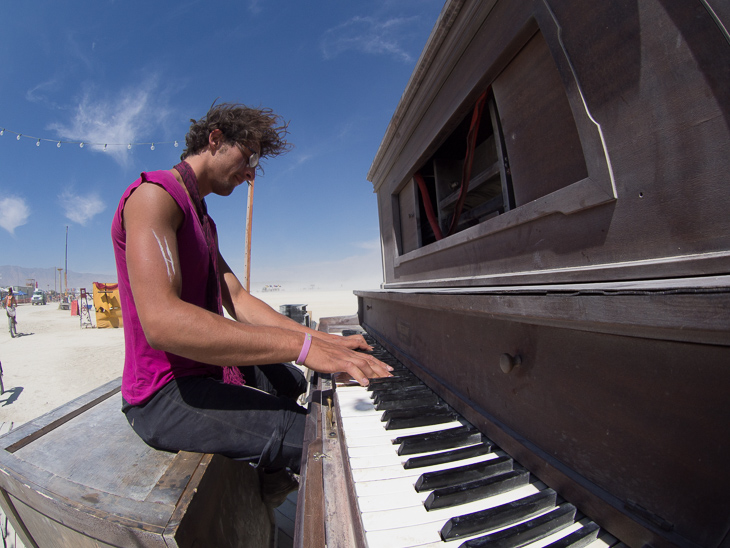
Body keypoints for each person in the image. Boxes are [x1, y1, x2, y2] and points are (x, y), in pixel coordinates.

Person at [111, 102, 391, 506]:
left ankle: (267, 473)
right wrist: (303, 348)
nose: (250, 173)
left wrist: (320, 340)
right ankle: (272, 486)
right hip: (162, 395)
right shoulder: (154, 196)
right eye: (249, 157)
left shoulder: (203, 220)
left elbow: (239, 300)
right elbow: (163, 322)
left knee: (292, 381)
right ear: (215, 139)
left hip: (201, 369)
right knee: (314, 433)